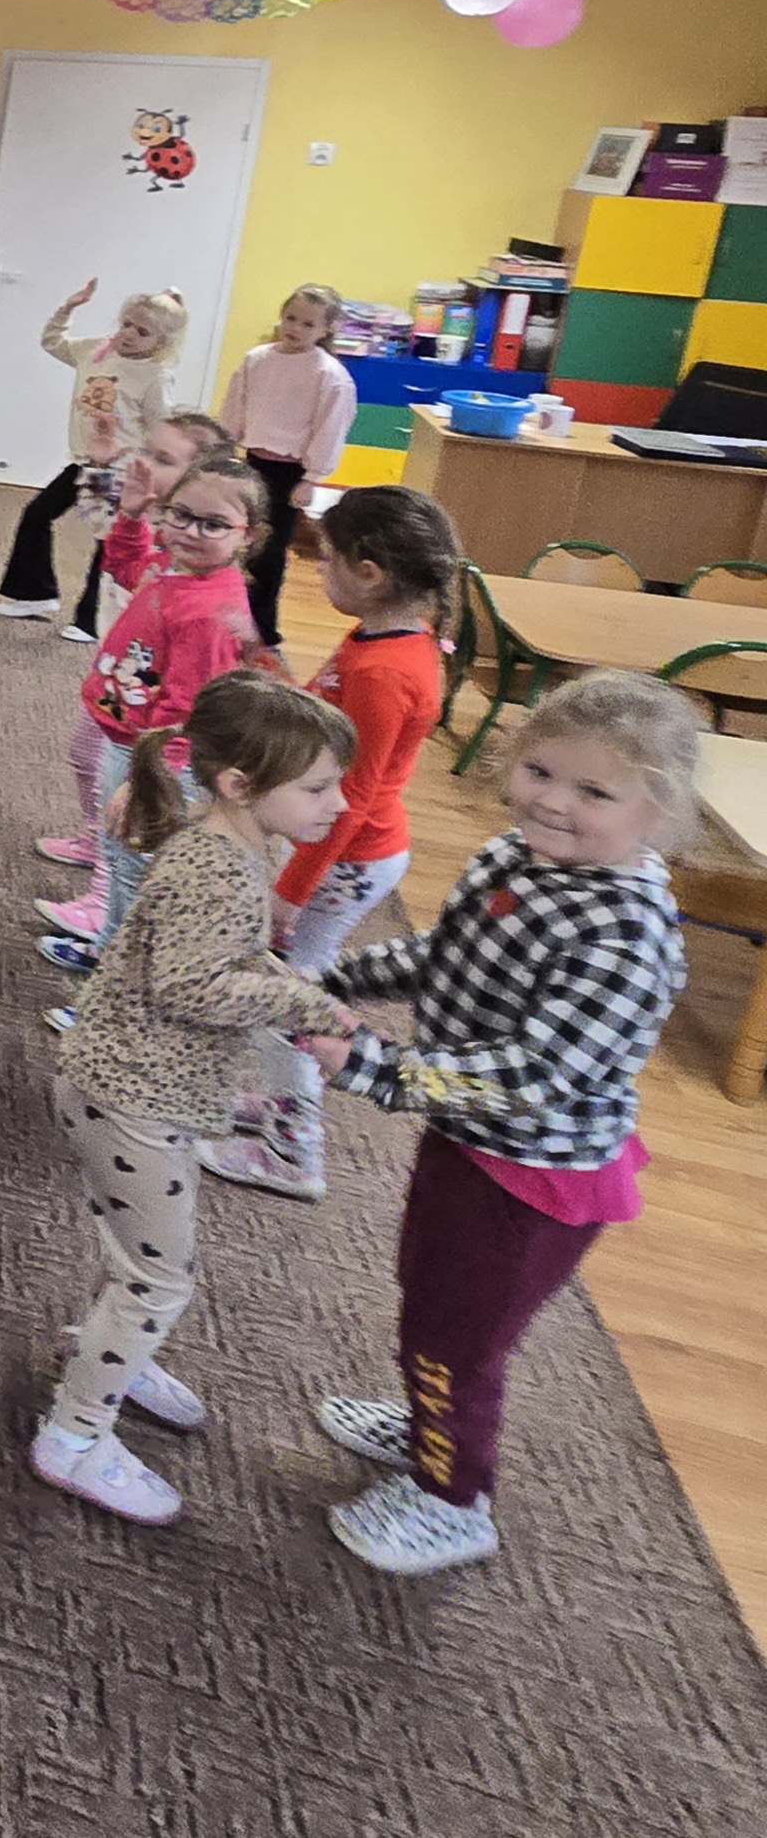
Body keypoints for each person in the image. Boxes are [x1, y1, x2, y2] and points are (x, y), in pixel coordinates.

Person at [304, 672, 699, 1576]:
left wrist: (372, 1065)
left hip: (531, 1179)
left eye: (594, 792)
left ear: (658, 815)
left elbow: (536, 1076)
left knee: (458, 1335)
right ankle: (428, 1423)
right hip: (468, 1136)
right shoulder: (515, 857)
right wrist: (336, 981)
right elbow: (447, 956)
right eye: (541, 771)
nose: (553, 802)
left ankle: (453, 1500)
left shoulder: (626, 936)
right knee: (428, 1295)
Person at [29, 673, 358, 1526]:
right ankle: (74, 1435)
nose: (339, 804)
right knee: (159, 1282)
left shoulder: (238, 847)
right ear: (240, 785)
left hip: (134, 1088)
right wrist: (305, 1003)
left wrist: (293, 985)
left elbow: (222, 965)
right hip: (132, 1100)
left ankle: (108, 1354)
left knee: (138, 1258)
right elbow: (195, 987)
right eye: (319, 787)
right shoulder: (216, 868)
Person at [208, 488, 460, 1202]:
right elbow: (328, 723)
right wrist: (267, 666)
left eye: (328, 560)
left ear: (370, 573)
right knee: (288, 987)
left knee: (289, 997)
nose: (319, 571)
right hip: (343, 853)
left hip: (346, 857)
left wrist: (293, 890)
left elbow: (355, 792)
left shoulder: (386, 671)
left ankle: (295, 1151)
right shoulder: (384, 639)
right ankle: (277, 1104)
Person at [31, 412, 238, 969]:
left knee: (130, 841)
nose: (144, 464)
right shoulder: (171, 556)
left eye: (163, 459)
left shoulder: (206, 602)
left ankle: (105, 916)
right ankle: (95, 853)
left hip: (145, 739)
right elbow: (123, 564)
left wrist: (154, 771)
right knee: (93, 779)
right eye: (148, 451)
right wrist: (126, 512)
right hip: (120, 705)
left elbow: (188, 706)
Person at [0, 283, 186, 640]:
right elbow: (53, 342)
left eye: (142, 332)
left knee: (108, 541)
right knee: (37, 515)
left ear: (162, 342)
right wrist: (68, 308)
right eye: (126, 324)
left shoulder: (155, 377)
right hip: (84, 461)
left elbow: (160, 429)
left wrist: (153, 472)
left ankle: (91, 620)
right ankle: (32, 594)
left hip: (120, 470)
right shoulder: (96, 350)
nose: (129, 334)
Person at [222, 284, 358, 647]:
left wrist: (312, 478)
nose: (295, 328)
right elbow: (236, 404)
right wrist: (225, 446)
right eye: (290, 318)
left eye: (308, 324)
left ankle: (262, 626)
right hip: (253, 463)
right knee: (236, 539)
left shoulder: (329, 376)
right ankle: (228, 614)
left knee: (269, 551)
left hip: (290, 473)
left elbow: (330, 429)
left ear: (326, 329)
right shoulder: (257, 359)